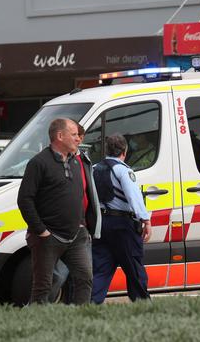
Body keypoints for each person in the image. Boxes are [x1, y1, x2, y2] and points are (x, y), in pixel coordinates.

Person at [17, 118, 101, 305]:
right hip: (48, 238)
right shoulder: (38, 163)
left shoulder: (76, 162)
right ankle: (34, 327)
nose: (78, 138)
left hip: (76, 235)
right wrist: (41, 231)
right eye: (73, 134)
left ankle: (81, 325)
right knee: (43, 287)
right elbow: (24, 199)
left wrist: (82, 225)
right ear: (60, 136)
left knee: (85, 279)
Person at [91, 134, 152, 303]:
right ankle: (142, 305)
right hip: (122, 226)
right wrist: (145, 220)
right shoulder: (123, 170)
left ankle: (90, 305)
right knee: (134, 267)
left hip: (100, 225)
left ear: (106, 151)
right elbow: (134, 197)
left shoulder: (94, 169)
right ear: (124, 151)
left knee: (100, 269)